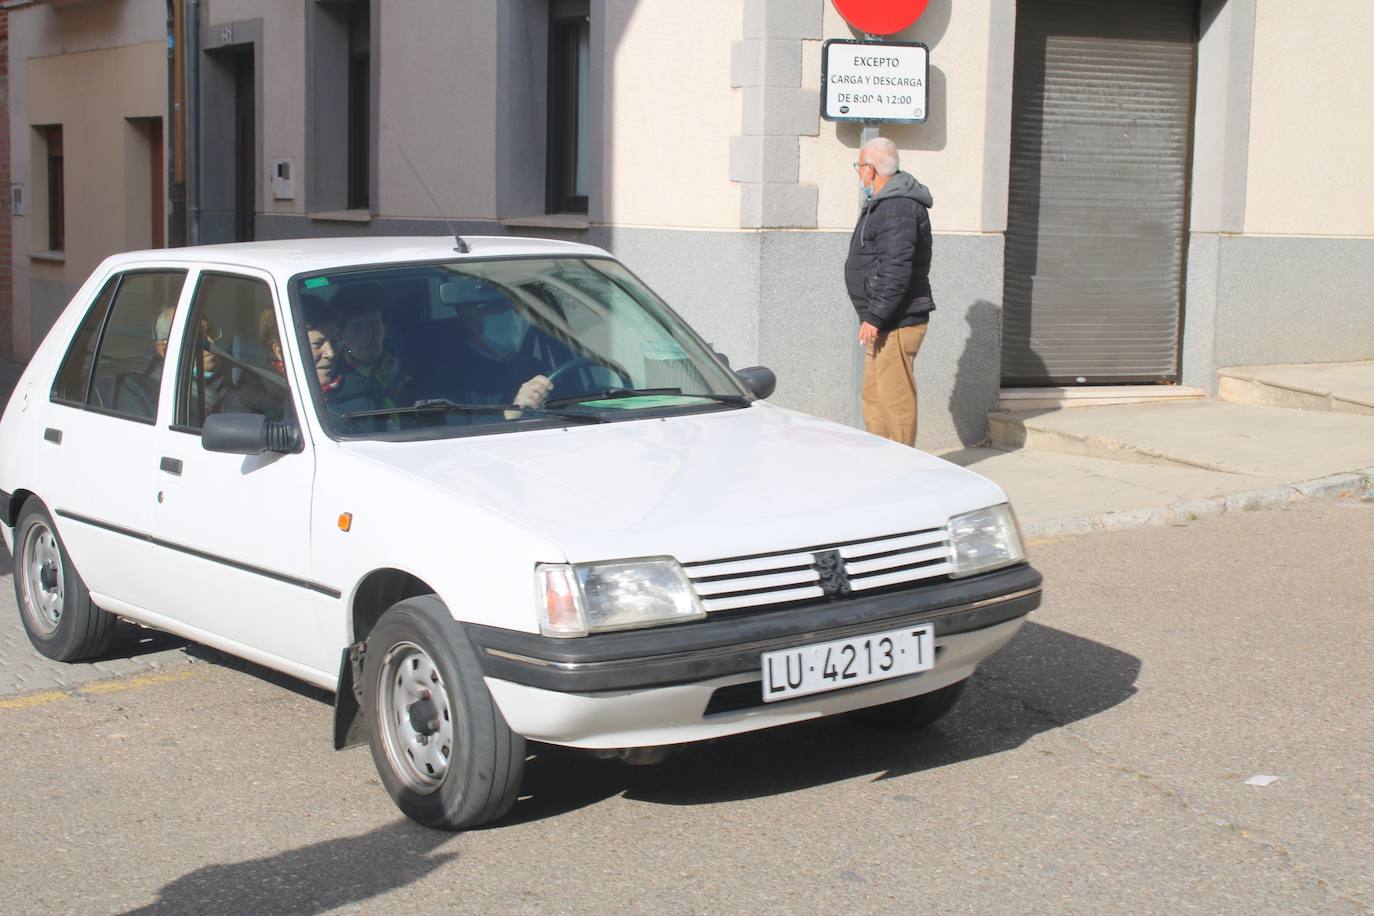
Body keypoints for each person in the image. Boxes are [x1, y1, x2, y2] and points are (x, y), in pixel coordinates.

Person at [844, 136, 936, 447]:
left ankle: (905, 471)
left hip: (897, 321)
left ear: (870, 170)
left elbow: (896, 268)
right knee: (874, 399)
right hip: (884, 321)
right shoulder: (886, 203)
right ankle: (881, 465)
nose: (859, 174)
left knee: (895, 404)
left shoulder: (898, 206)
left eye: (859, 167)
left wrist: (875, 316)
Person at [327, 284, 411, 415]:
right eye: (357, 326)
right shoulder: (331, 379)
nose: (367, 334)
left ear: (385, 329)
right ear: (341, 334)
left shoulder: (409, 365)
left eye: (374, 324)